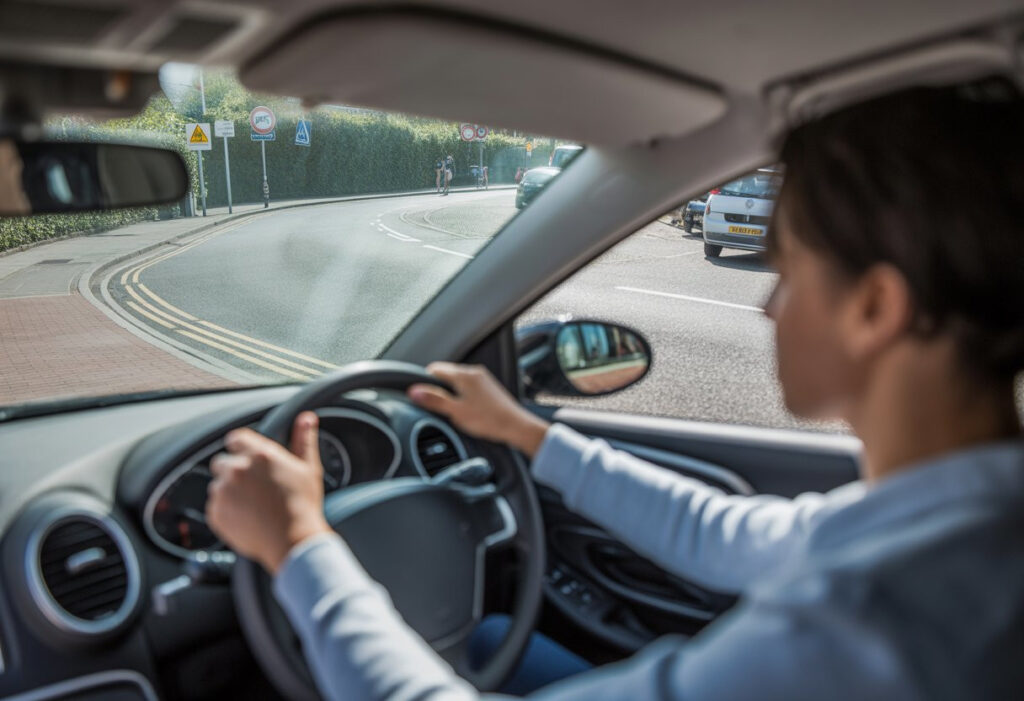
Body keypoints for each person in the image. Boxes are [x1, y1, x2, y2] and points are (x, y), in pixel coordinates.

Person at [206, 81, 1024, 700]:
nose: (769, 304)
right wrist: (527, 434)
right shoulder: (958, 525)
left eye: (788, 268)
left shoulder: (863, 630)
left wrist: (300, 545)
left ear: (876, 307)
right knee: (499, 635)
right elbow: (722, 530)